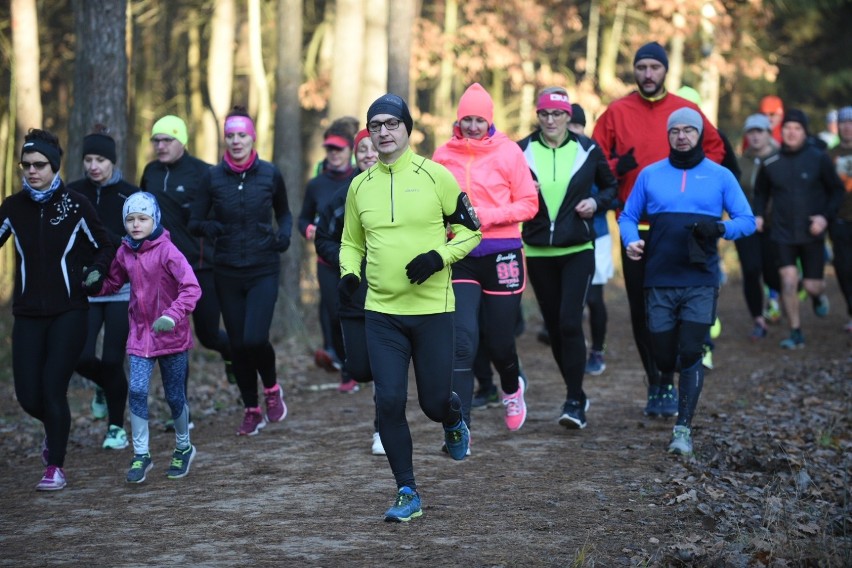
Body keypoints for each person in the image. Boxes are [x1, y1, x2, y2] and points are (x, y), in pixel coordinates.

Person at [339, 93, 481, 522]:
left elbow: (472, 232)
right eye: (375, 125)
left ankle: (453, 418)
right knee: (388, 401)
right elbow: (351, 243)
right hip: (382, 313)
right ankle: (406, 490)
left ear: (407, 129)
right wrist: (350, 275)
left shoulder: (437, 176)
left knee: (433, 404)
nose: (382, 132)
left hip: (433, 309)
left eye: (390, 124)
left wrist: (440, 256)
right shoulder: (359, 186)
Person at [591, 41, 725, 417]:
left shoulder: (687, 111)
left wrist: (695, 175)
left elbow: (717, 150)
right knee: (642, 307)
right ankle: (657, 382)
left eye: (655, 67)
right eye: (642, 67)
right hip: (638, 227)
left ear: (666, 71)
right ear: (634, 71)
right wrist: (619, 166)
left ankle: (680, 370)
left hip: (685, 226)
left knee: (687, 303)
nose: (648, 74)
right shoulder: (616, 112)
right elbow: (593, 160)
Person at [619, 107, 755, 456]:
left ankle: (683, 429)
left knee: (691, 351)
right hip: (659, 277)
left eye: (688, 130)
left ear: (698, 135)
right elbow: (628, 216)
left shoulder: (720, 176)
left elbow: (747, 221)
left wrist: (720, 228)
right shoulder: (650, 175)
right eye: (675, 131)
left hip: (700, 278)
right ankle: (669, 378)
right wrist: (630, 239)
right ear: (669, 136)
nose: (682, 136)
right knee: (665, 357)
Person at [0, 129, 114, 490]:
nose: (31, 171)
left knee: (52, 389)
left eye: (39, 165)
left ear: (54, 166)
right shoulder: (13, 207)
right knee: (28, 396)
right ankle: (55, 431)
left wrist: (95, 272)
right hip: (28, 313)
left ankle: (55, 466)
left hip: (70, 310)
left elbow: (105, 245)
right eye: (26, 165)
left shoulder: (76, 204)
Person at [432, 83, 538, 434]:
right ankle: (461, 425)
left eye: (479, 119)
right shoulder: (442, 155)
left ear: (489, 120)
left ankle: (511, 388)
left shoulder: (509, 153)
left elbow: (529, 204)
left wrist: (484, 216)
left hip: (502, 252)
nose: (473, 126)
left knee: (499, 342)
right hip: (460, 254)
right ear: (458, 120)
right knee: (462, 340)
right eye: (467, 119)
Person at [519, 87, 618, 429]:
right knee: (555, 328)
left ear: (567, 117)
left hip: (577, 249)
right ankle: (575, 390)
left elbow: (611, 188)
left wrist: (596, 204)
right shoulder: (521, 150)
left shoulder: (588, 149)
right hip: (538, 250)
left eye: (557, 114)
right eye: (544, 114)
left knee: (569, 321)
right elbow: (502, 188)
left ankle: (574, 400)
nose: (550, 120)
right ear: (538, 116)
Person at [189, 106, 292, 435]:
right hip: (227, 270)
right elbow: (194, 221)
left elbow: (285, 214)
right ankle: (251, 409)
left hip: (263, 266)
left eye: (241, 135)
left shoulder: (270, 174)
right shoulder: (212, 177)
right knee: (237, 344)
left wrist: (284, 235)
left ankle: (272, 390)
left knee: (254, 338)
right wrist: (212, 227)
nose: (236, 141)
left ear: (252, 138)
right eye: (230, 136)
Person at [84, 192, 201, 482]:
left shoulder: (168, 251)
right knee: (136, 391)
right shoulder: (124, 253)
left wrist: (172, 315)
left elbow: (192, 288)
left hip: (171, 336)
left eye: (142, 219)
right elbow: (113, 282)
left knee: (174, 395)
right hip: (140, 336)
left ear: (155, 219)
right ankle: (140, 455)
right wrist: (94, 284)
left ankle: (184, 447)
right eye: (130, 219)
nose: (136, 225)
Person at [140, 115, 234, 431]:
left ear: (182, 141)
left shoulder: (204, 173)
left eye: (167, 140)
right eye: (156, 140)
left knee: (208, 334)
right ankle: (183, 413)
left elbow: (223, 214)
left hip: (200, 265)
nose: (160, 146)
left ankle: (230, 352)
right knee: (176, 342)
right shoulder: (150, 173)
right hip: (163, 272)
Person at [315, 128, 384, 455]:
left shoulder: (401, 189)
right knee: (359, 369)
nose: (369, 154)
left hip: (393, 297)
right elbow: (323, 239)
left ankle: (382, 429)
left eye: (374, 148)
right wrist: (347, 260)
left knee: (386, 366)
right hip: (356, 295)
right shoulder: (343, 196)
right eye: (363, 150)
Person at [67, 126, 136, 450]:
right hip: (86, 291)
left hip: (121, 290)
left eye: (101, 160)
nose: (94, 166)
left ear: (112, 161)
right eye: (89, 159)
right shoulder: (72, 193)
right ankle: (104, 387)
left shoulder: (129, 194)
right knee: (80, 357)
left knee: (111, 361)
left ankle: (115, 428)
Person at [753, 109, 845, 348]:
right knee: (788, 280)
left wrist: (824, 218)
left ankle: (817, 295)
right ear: (780, 131)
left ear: (805, 132)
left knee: (813, 285)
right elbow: (761, 192)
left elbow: (836, 190)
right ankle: (796, 332)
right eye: (787, 128)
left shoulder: (819, 158)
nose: (791, 133)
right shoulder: (771, 161)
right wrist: (759, 215)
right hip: (781, 232)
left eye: (797, 129)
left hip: (811, 231)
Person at [299, 124, 358, 390]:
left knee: (358, 309)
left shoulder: (360, 178)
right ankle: (345, 366)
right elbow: (303, 218)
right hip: (327, 259)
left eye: (339, 149)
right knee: (335, 312)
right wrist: (309, 228)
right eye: (330, 149)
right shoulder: (316, 184)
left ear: (350, 151)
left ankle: (359, 362)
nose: (334, 154)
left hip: (358, 257)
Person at [565, 103, 615, 376]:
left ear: (583, 127)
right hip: (562, 239)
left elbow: (612, 194)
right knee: (569, 299)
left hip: (596, 235)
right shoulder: (550, 154)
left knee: (594, 298)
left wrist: (593, 203)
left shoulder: (594, 153)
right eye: (567, 125)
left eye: (575, 125)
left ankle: (597, 349)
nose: (570, 131)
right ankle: (572, 348)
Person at [735, 114, 781, 340]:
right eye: (750, 132)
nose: (754, 136)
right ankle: (758, 320)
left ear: (768, 134)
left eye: (759, 131)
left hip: (775, 226)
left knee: (773, 270)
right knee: (751, 270)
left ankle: (778, 296)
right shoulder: (740, 162)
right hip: (745, 225)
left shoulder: (780, 160)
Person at [828, 106, 852, 333]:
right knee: (844, 268)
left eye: (851, 122)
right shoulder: (830, 154)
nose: (847, 126)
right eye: (844, 122)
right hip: (839, 220)